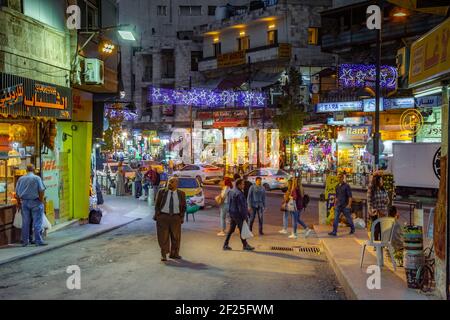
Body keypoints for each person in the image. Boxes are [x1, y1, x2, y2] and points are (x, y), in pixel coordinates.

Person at [153, 177, 187, 262]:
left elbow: (184, 207)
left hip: (176, 218)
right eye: (168, 182)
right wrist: (158, 215)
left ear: (176, 184)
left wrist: (181, 217)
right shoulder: (161, 192)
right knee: (163, 237)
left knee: (176, 237)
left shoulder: (181, 194)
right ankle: (163, 254)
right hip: (163, 217)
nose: (169, 183)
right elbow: (157, 204)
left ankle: (174, 253)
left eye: (172, 182)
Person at [15, 164, 47, 247]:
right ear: (33, 170)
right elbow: (41, 190)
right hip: (35, 202)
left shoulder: (21, 179)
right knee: (37, 222)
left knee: (25, 222)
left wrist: (18, 203)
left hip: (24, 202)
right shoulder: (37, 178)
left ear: (26, 170)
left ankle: (25, 241)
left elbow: (17, 193)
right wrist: (41, 200)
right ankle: (38, 241)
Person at [223, 179, 255, 251]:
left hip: (233, 213)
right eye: (242, 184)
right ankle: (245, 245)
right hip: (238, 215)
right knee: (241, 229)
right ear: (238, 185)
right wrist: (245, 216)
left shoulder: (231, 191)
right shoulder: (239, 194)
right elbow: (241, 207)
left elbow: (229, 203)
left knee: (231, 230)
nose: (243, 186)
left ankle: (225, 244)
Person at [367, 174, 389, 241]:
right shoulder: (372, 189)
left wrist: (386, 201)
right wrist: (370, 210)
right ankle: (376, 244)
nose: (382, 182)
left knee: (383, 228)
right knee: (377, 228)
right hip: (375, 212)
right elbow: (369, 200)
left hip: (383, 212)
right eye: (381, 180)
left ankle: (382, 243)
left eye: (382, 180)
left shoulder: (383, 189)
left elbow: (387, 199)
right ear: (377, 181)